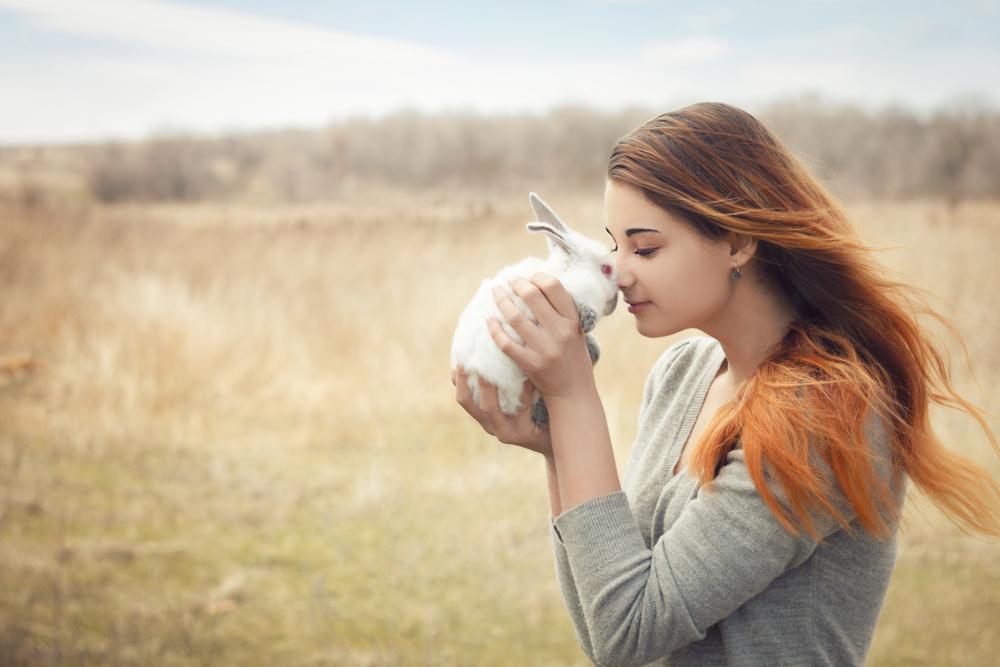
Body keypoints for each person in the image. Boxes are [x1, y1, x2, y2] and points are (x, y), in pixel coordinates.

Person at [451, 101, 1000, 666]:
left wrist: (571, 398)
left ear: (737, 241)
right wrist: (555, 448)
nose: (622, 270)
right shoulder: (683, 373)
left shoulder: (826, 414)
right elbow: (604, 624)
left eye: (646, 247)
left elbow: (627, 633)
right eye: (614, 245)